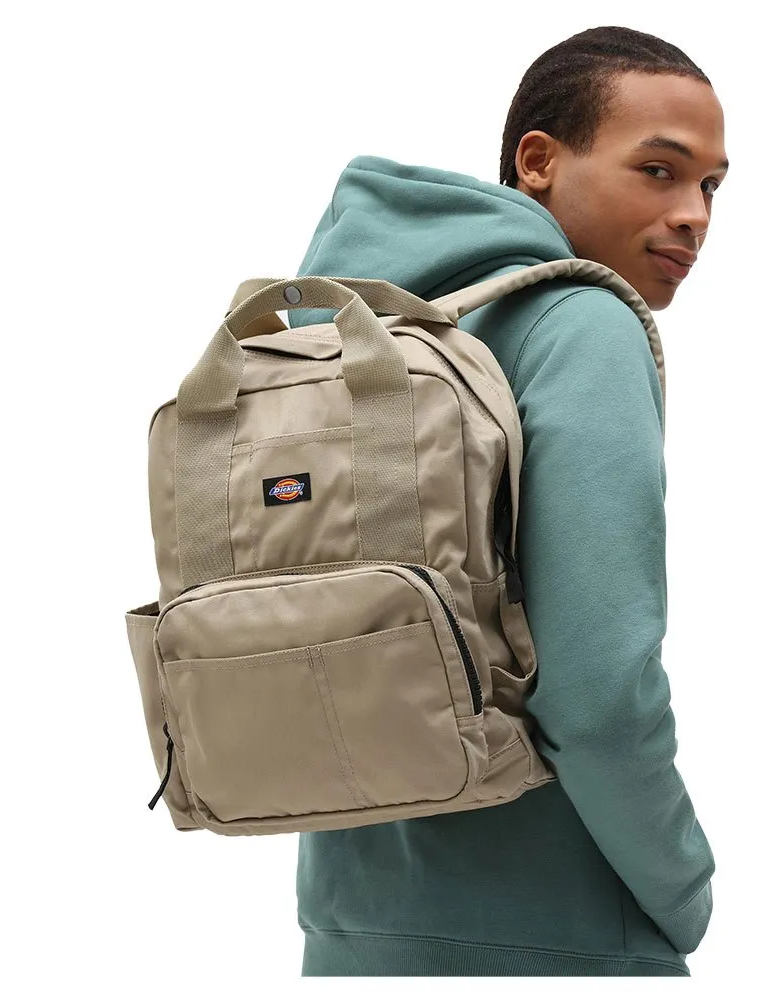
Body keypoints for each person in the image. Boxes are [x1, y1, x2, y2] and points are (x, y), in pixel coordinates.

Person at [285, 24, 727, 977]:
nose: (694, 215)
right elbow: (598, 691)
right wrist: (683, 890)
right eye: (659, 171)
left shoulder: (368, 330)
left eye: (712, 187)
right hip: (559, 929)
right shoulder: (583, 322)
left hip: (351, 927)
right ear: (538, 162)